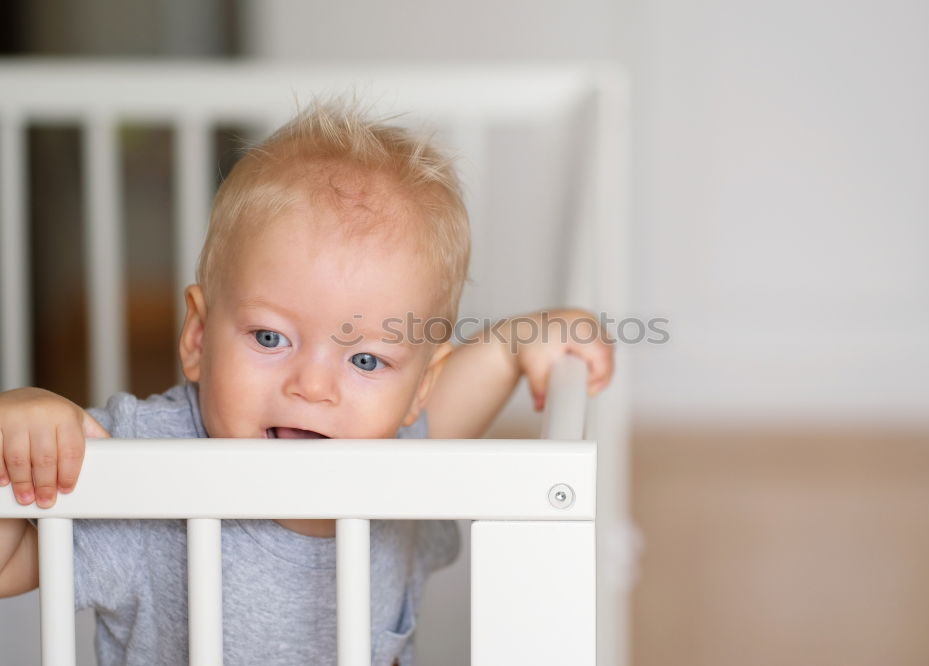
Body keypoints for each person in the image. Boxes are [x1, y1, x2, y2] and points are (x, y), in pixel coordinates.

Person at [0, 101, 613, 665]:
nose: (313, 387)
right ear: (197, 338)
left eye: (367, 360)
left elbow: (453, 402)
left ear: (417, 390)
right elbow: (13, 563)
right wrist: (16, 439)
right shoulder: (136, 462)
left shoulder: (396, 466)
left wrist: (519, 342)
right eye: (271, 338)